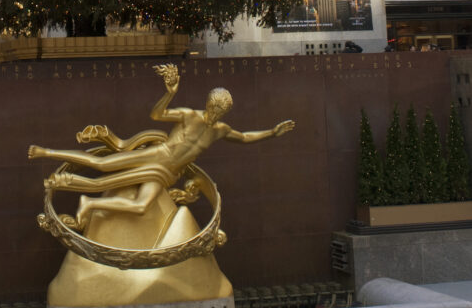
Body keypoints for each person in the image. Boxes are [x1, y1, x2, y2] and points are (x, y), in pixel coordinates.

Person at [29, 63, 294, 230]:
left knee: (140, 206)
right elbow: (157, 115)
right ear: (208, 103)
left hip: (168, 174)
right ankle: (47, 153)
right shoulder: (189, 115)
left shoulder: (219, 131)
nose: (215, 114)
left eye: (221, 111)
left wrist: (272, 132)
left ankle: (88, 204)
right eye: (214, 107)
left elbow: (245, 137)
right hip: (157, 155)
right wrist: (169, 92)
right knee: (101, 165)